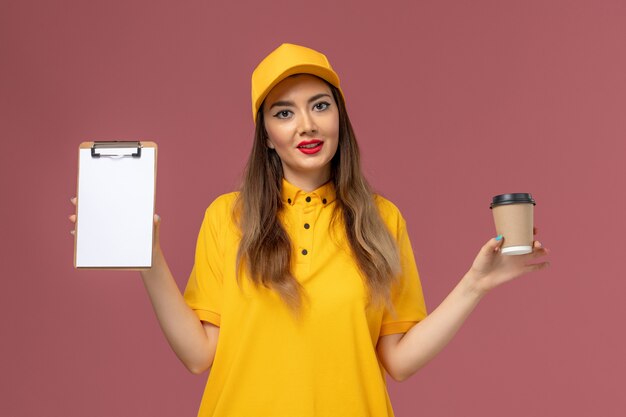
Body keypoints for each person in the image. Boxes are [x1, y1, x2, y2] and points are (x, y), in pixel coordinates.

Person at [70, 43, 549, 417]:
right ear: (267, 137)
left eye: (320, 105)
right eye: (284, 112)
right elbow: (199, 354)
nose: (305, 124)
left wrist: (475, 285)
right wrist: (147, 256)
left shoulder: (383, 220)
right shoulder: (227, 217)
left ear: (339, 116)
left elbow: (398, 360)